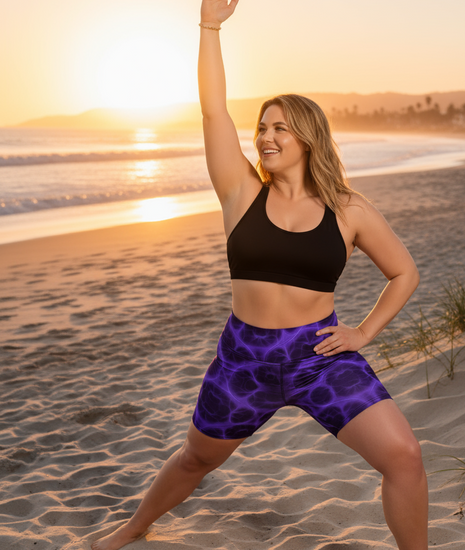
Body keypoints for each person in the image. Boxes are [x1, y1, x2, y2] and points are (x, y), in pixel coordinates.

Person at [91, 1, 428, 549]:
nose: (266, 137)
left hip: (318, 359)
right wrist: (208, 27)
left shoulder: (350, 210)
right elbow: (213, 111)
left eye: (281, 128)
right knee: (196, 457)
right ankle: (133, 529)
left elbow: (404, 272)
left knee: (405, 457)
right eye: (262, 127)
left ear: (309, 137)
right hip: (243, 359)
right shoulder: (241, 192)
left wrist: (363, 333)